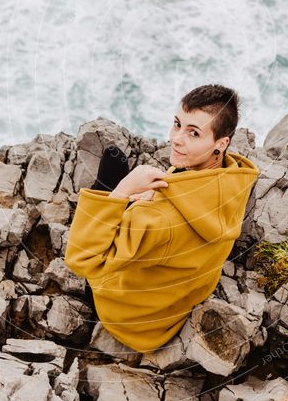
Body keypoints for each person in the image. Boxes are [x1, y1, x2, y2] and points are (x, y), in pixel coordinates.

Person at [64, 83, 260, 353]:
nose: (176, 139)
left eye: (193, 133)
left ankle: (113, 190)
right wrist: (154, 198)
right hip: (167, 308)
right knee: (125, 174)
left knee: (112, 171)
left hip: (128, 319)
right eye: (177, 124)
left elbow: (81, 260)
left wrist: (123, 192)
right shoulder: (232, 179)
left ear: (221, 143)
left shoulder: (158, 221)